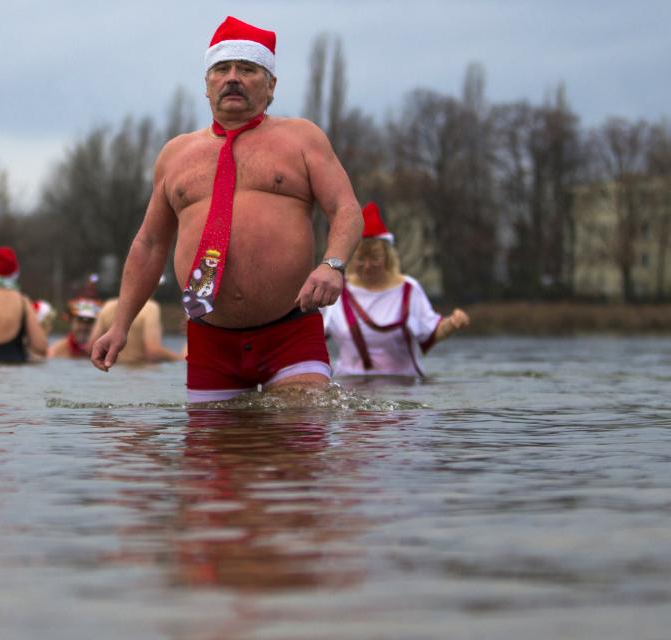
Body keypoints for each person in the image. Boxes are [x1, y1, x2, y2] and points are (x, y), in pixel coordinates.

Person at [91, 16, 362, 403]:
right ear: (207, 85)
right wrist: (120, 326)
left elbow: (346, 208)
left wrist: (332, 264)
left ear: (271, 85)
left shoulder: (302, 138)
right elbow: (150, 244)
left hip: (289, 330)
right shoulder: (175, 154)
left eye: (247, 69)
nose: (232, 78)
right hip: (209, 337)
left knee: (299, 446)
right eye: (221, 69)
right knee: (213, 458)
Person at [322, 202, 470, 376]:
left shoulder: (408, 289)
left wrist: (452, 323)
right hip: (351, 388)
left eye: (375, 258)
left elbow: (430, 332)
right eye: (361, 259)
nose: (367, 266)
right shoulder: (337, 290)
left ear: (388, 257)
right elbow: (312, 337)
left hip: (405, 386)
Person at [90, 298, 183, 365]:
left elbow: (92, 348)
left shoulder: (108, 306)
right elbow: (154, 352)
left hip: (110, 370)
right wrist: (180, 359)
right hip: (139, 376)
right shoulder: (150, 307)